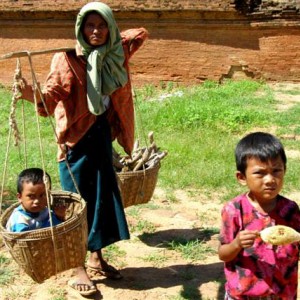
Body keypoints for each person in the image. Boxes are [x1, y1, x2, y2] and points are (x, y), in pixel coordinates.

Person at [19, 1, 148, 296]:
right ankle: (77, 267)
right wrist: (29, 92)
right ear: (79, 28)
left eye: (102, 25)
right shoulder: (67, 60)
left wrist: (112, 40)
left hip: (102, 134)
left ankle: (96, 259)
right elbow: (51, 96)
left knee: (101, 200)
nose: (96, 31)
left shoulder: (115, 54)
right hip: (75, 141)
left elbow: (141, 33)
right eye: (89, 26)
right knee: (76, 204)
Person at [218, 132, 300, 299]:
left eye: (276, 171)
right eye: (260, 173)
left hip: (283, 294)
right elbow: (223, 254)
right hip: (244, 295)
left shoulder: (290, 209)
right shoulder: (234, 210)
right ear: (241, 177)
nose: (270, 179)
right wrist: (236, 244)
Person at [6, 168, 66, 232]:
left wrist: (59, 217)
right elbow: (26, 241)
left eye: (42, 195)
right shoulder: (19, 221)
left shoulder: (43, 210)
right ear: (19, 197)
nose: (37, 201)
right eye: (31, 196)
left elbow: (54, 225)